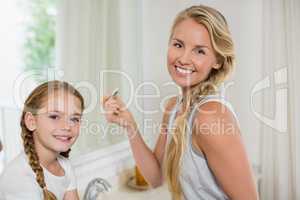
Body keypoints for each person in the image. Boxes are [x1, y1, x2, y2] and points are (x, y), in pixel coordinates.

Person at [103, 5, 258, 200]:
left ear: (217, 60)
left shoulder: (210, 116)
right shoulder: (173, 107)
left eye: (199, 51)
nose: (184, 58)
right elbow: (156, 177)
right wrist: (129, 125)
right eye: (178, 45)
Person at [0, 80, 84, 200]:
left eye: (75, 119)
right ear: (31, 121)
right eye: (54, 116)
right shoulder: (19, 179)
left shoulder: (64, 166)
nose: (67, 126)